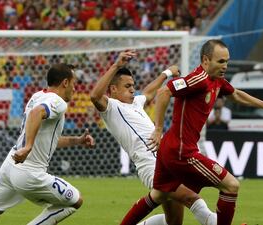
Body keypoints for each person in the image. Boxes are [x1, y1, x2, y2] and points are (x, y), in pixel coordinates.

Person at [147, 39, 263, 225]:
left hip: (176, 147)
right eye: (220, 61)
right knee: (231, 185)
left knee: (159, 195)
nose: (225, 66)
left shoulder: (216, 81)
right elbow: (163, 92)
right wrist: (158, 128)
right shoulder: (198, 80)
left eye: (227, 61)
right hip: (182, 150)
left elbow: (236, 94)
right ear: (206, 60)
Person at [0, 64, 95, 225]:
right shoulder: (58, 101)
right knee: (75, 201)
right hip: (30, 173)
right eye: (74, 83)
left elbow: (46, 138)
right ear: (65, 82)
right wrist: (28, 147)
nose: (75, 88)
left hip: (11, 165)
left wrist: (77, 140)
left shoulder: (37, 96)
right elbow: (36, 113)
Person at [90, 50, 216, 225]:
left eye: (133, 85)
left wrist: (167, 73)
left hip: (167, 159)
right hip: (150, 164)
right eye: (127, 86)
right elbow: (95, 96)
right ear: (113, 89)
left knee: (174, 222)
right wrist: (117, 65)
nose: (133, 89)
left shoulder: (135, 103)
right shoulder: (111, 108)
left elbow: (149, 92)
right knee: (191, 198)